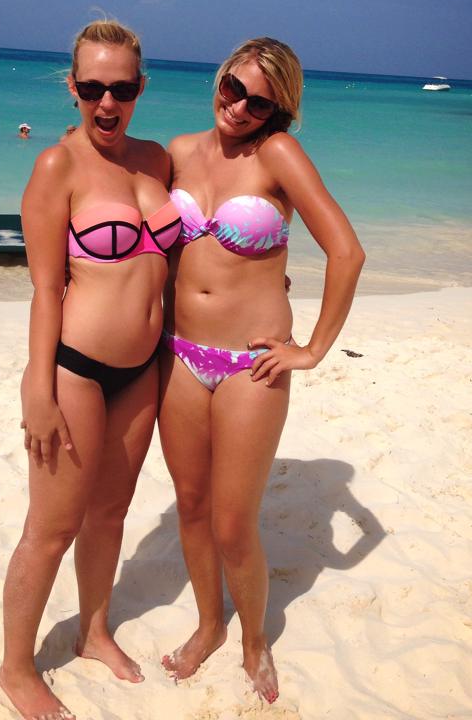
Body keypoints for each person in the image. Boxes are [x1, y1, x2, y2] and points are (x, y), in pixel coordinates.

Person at [159, 37, 365, 703]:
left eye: (260, 103)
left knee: (232, 523)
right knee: (191, 505)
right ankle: (209, 624)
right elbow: (133, 223)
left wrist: (312, 349)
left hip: (251, 366)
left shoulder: (277, 153)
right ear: (220, 78)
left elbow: (347, 252)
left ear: (278, 112)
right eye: (234, 89)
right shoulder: (178, 151)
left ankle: (254, 640)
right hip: (179, 354)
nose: (241, 107)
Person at [0, 21, 181, 720]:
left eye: (123, 89)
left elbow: (183, 250)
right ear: (73, 87)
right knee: (51, 527)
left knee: (109, 512)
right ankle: (16, 669)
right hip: (75, 369)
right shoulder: (58, 167)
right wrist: (36, 386)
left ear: (140, 88)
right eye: (94, 87)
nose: (108, 103)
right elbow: (46, 289)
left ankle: (93, 631)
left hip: (142, 371)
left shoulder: (155, 160)